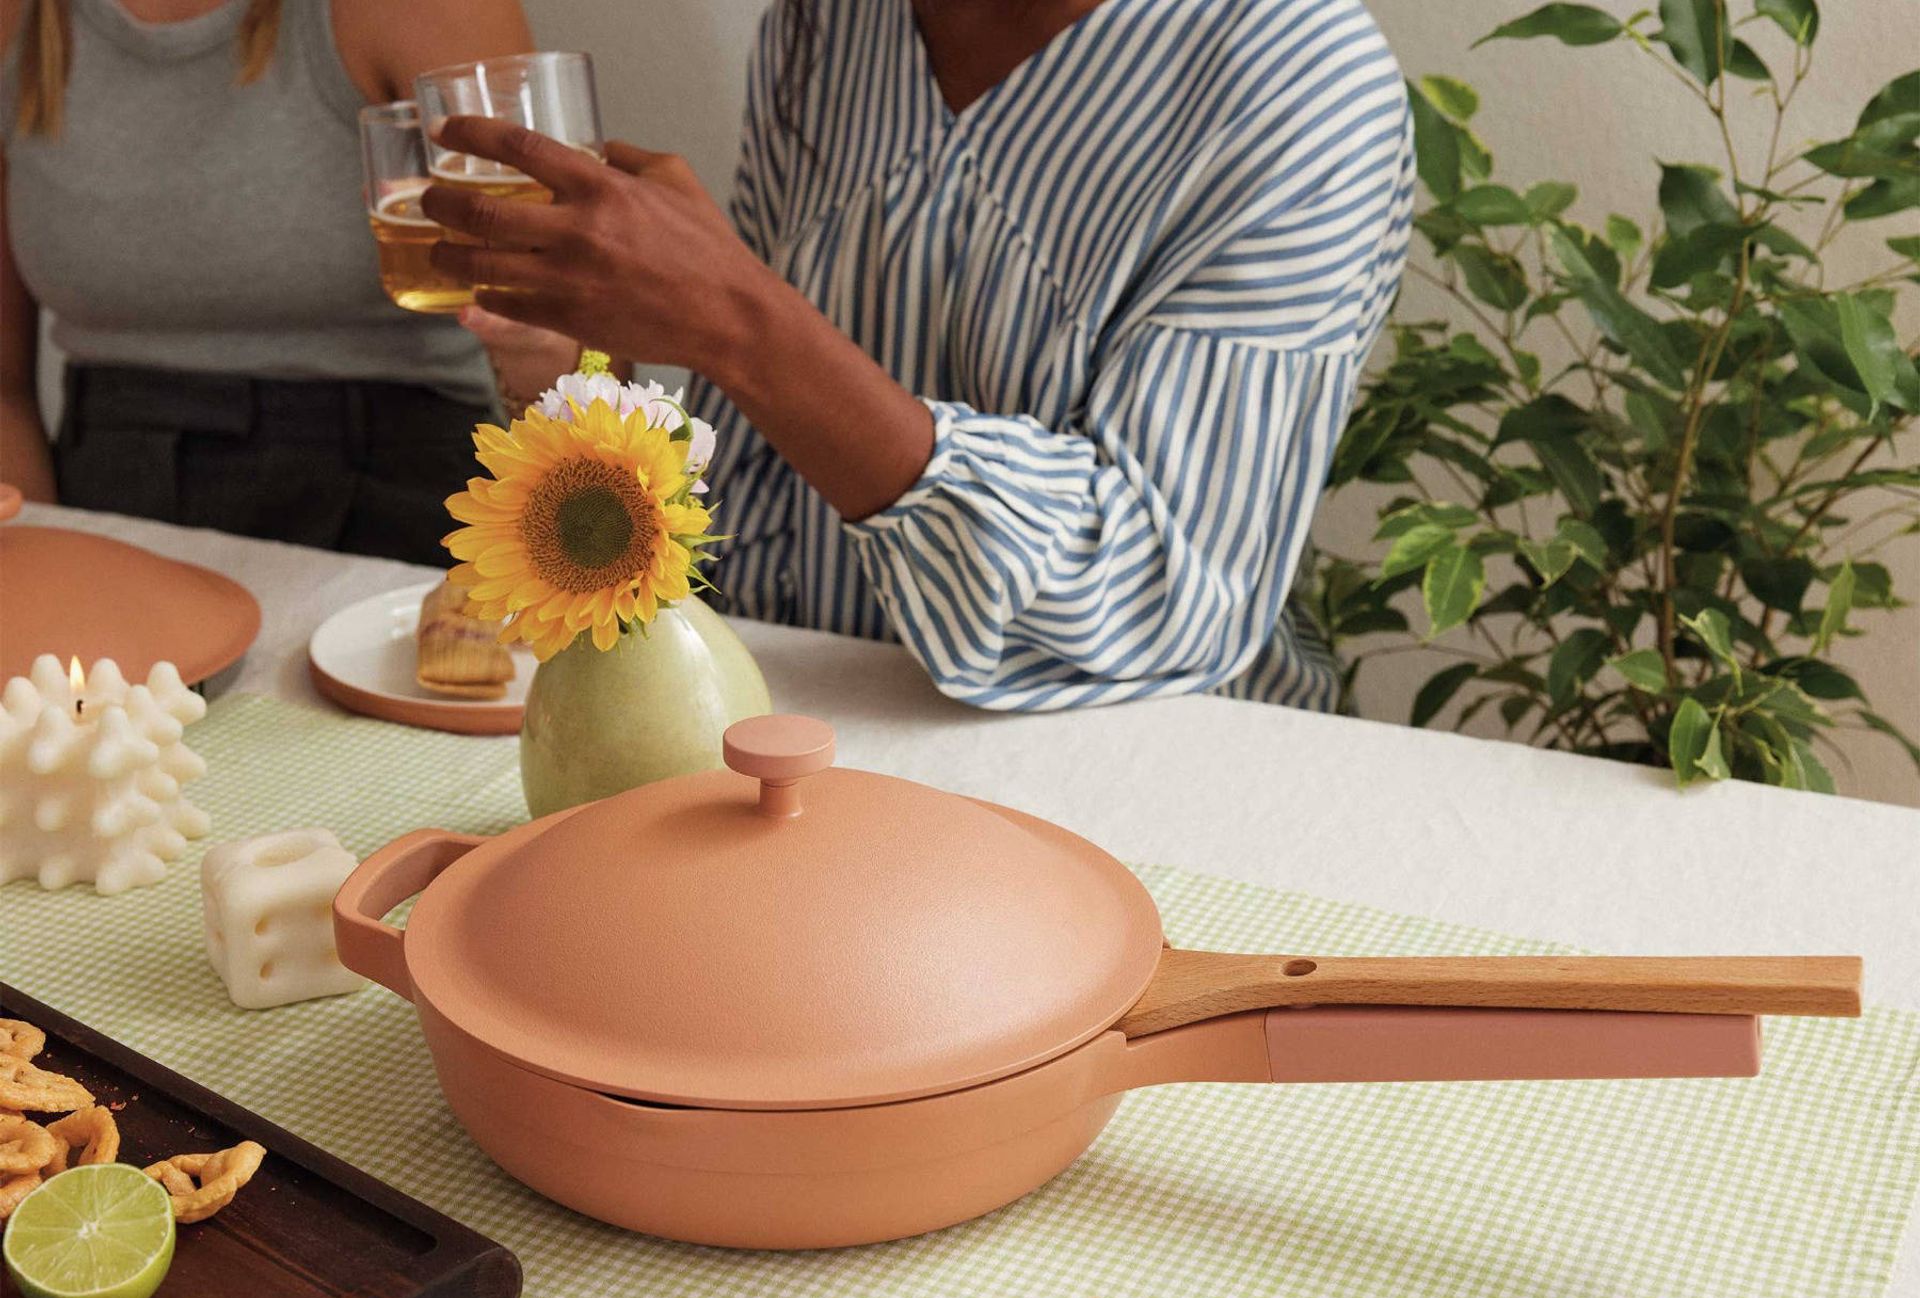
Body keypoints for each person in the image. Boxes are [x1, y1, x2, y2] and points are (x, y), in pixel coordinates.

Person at [429, 0, 1415, 710]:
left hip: (1135, 767)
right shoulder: (824, 26)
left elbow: (1169, 596)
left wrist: (738, 319)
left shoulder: (1298, 78)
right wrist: (601, 367)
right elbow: (765, 469)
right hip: (801, 722)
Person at [0, 0, 570, 564]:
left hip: (401, 505)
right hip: (106, 506)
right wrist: (44, 559)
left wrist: (547, 355)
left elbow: (585, 334)